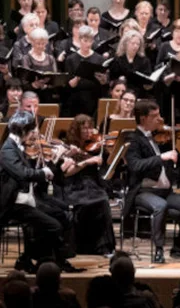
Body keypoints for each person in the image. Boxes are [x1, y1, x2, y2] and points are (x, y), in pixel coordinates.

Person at [0, 110, 80, 273]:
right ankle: (34, 259)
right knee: (54, 226)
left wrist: (53, 161)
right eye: (31, 131)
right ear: (23, 130)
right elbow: (23, 174)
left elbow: (41, 176)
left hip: (26, 198)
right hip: (13, 203)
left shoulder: (17, 146)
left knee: (61, 214)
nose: (34, 134)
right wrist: (44, 171)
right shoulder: (7, 150)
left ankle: (52, 259)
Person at [124, 99, 180, 263]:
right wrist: (161, 157)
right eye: (155, 116)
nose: (160, 119)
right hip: (143, 192)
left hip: (166, 192)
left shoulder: (160, 138)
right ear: (143, 119)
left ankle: (179, 248)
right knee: (160, 206)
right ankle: (159, 250)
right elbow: (135, 165)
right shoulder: (133, 139)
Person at [58, 114, 115, 256]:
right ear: (76, 130)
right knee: (90, 203)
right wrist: (86, 162)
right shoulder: (68, 147)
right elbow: (67, 173)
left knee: (103, 200)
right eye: (85, 129)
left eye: (91, 128)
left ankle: (104, 247)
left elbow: (109, 166)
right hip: (74, 185)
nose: (89, 132)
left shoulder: (94, 146)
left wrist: (108, 153)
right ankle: (83, 246)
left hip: (92, 184)